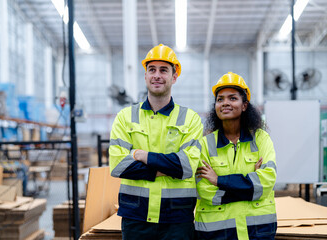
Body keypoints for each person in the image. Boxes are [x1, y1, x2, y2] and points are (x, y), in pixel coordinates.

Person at [109, 44, 203, 240]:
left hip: (176, 219)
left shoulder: (190, 119)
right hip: (136, 217)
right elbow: (118, 166)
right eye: (152, 70)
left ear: (174, 77)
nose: (157, 75)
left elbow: (186, 167)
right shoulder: (125, 117)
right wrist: (168, 167)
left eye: (164, 70)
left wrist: (141, 156)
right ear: (145, 76)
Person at [195, 72, 277, 240]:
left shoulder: (261, 138)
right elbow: (204, 190)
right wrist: (250, 185)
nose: (225, 103)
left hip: (257, 231)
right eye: (220, 99)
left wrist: (219, 181)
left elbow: (267, 180)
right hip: (217, 232)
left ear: (244, 105)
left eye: (232, 98)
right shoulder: (205, 144)